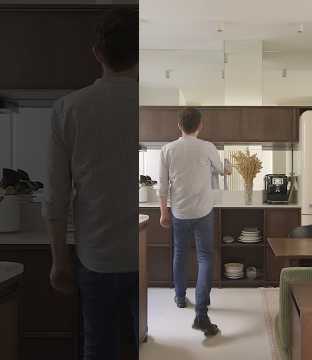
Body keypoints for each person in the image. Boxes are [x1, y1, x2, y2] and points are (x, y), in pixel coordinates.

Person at [44, 9, 139, 360]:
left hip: (96, 257)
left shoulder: (68, 109)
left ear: (97, 53)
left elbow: (56, 196)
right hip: (143, 253)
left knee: (99, 349)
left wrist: (58, 260)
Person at [159, 108, 231, 337]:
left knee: (180, 254)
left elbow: (163, 186)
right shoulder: (208, 147)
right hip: (203, 212)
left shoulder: (167, 149)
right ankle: (201, 311)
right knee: (205, 258)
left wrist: (163, 212)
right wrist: (227, 167)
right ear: (200, 125)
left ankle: (180, 298)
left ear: (179, 125)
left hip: (179, 212)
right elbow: (222, 171)